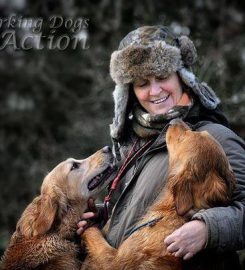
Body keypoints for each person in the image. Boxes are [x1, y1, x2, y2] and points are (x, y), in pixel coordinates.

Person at [77, 25, 245, 269]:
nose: (154, 91)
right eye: (142, 83)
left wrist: (207, 229)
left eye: (162, 77)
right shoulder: (136, 143)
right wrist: (108, 218)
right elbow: (144, 215)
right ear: (130, 92)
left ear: (182, 78)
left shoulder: (213, 139)